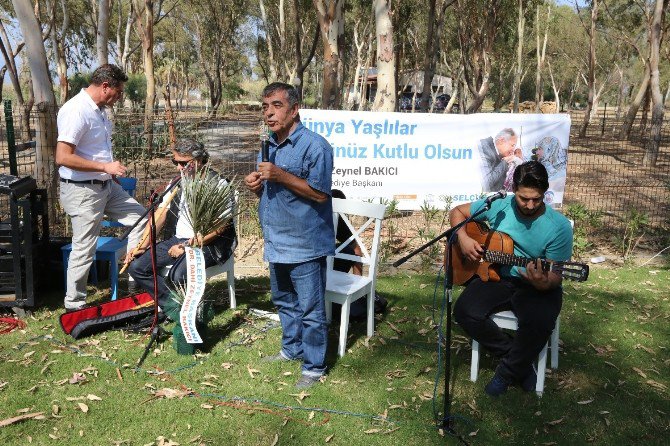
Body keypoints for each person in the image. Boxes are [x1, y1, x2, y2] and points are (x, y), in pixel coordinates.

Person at [450, 161, 573, 397]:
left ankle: (507, 372)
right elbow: (457, 212)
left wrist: (542, 282)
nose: (529, 205)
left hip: (536, 285)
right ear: (514, 189)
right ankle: (521, 364)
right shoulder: (500, 206)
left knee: (539, 321)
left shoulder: (559, 228)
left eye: (536, 199)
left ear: (545, 193)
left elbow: (555, 276)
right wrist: (463, 238)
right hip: (497, 276)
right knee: (465, 312)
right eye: (523, 198)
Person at [244, 82, 335, 389]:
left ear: (295, 109)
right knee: (284, 301)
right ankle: (291, 349)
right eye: (265, 106)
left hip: (305, 242)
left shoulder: (315, 146)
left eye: (276, 106)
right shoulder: (269, 143)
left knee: (310, 309)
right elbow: (274, 191)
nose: (269, 113)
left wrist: (281, 175)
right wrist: (258, 186)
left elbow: (321, 196)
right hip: (277, 238)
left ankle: (314, 366)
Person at [56, 63, 147, 312]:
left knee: (143, 220)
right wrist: (105, 167)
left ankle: (135, 283)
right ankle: (75, 306)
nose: (119, 97)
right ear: (105, 86)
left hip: (105, 186)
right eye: (118, 92)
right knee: (84, 247)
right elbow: (63, 157)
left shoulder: (98, 110)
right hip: (82, 191)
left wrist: (107, 174)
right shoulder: (76, 110)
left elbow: (94, 150)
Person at [125, 139, 237, 319]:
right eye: (175, 162)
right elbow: (159, 215)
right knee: (137, 267)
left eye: (183, 163)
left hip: (209, 244)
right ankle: (175, 306)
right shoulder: (178, 182)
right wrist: (142, 245)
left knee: (178, 275)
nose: (178, 167)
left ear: (198, 160)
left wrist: (187, 246)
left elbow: (220, 227)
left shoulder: (217, 184)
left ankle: (183, 311)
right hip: (178, 239)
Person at [478, 128, 519, 192]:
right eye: (512, 145)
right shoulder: (484, 148)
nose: (513, 149)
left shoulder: (499, 155)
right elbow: (486, 183)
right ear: (501, 140)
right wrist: (505, 162)